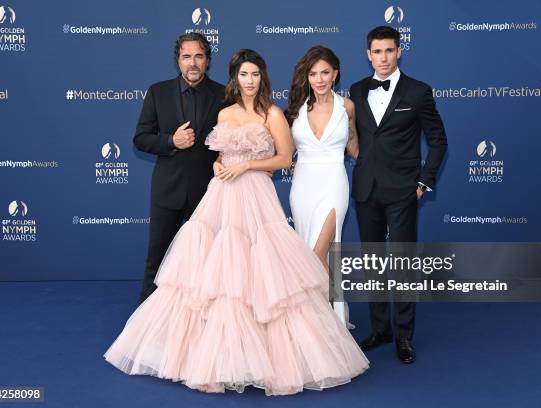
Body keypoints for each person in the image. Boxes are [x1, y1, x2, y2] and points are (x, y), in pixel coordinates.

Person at [105, 49, 369, 395]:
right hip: (223, 192)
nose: (249, 81)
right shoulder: (225, 112)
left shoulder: (272, 113)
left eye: (255, 75)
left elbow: (285, 158)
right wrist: (218, 166)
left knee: (262, 268)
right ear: (235, 78)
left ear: (262, 78)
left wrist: (245, 166)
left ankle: (280, 352)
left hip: (256, 193)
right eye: (243, 75)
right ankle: (217, 354)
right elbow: (218, 154)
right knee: (220, 272)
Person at [349, 26, 448, 363]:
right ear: (368, 54)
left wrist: (424, 181)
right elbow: (356, 137)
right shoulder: (357, 89)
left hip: (403, 189)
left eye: (389, 51)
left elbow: (438, 141)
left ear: (399, 51)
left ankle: (404, 336)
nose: (383, 58)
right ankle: (380, 329)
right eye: (377, 52)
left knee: (403, 263)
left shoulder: (418, 92)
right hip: (366, 189)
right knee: (373, 262)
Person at [134, 33, 227, 303]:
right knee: (158, 258)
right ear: (178, 61)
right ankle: (145, 320)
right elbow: (140, 138)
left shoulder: (224, 95)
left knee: (211, 260)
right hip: (168, 190)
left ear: (208, 60)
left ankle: (207, 317)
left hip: (209, 193)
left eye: (199, 56)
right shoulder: (157, 92)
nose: (193, 63)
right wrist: (170, 141)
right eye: (186, 56)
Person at [286, 46, 359, 328]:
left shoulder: (347, 106)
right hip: (303, 187)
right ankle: (317, 317)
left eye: (325, 72)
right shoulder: (296, 109)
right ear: (306, 76)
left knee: (317, 254)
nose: (319, 79)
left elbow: (355, 147)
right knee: (309, 251)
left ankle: (334, 319)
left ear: (335, 74)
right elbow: (285, 150)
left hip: (334, 184)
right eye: (313, 73)